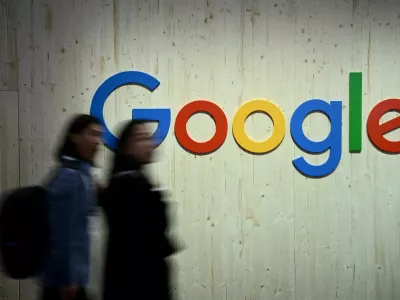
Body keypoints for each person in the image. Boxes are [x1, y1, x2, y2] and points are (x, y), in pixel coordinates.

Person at [102, 120, 176, 300]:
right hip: (139, 283)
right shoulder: (130, 184)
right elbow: (147, 236)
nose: (149, 144)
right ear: (126, 147)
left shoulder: (127, 180)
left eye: (149, 138)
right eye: (141, 139)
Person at [40, 114, 103, 300]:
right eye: (92, 134)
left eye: (100, 136)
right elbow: (63, 232)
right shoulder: (71, 176)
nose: (98, 141)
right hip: (65, 284)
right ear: (74, 136)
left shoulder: (81, 175)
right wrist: (67, 280)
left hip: (71, 279)